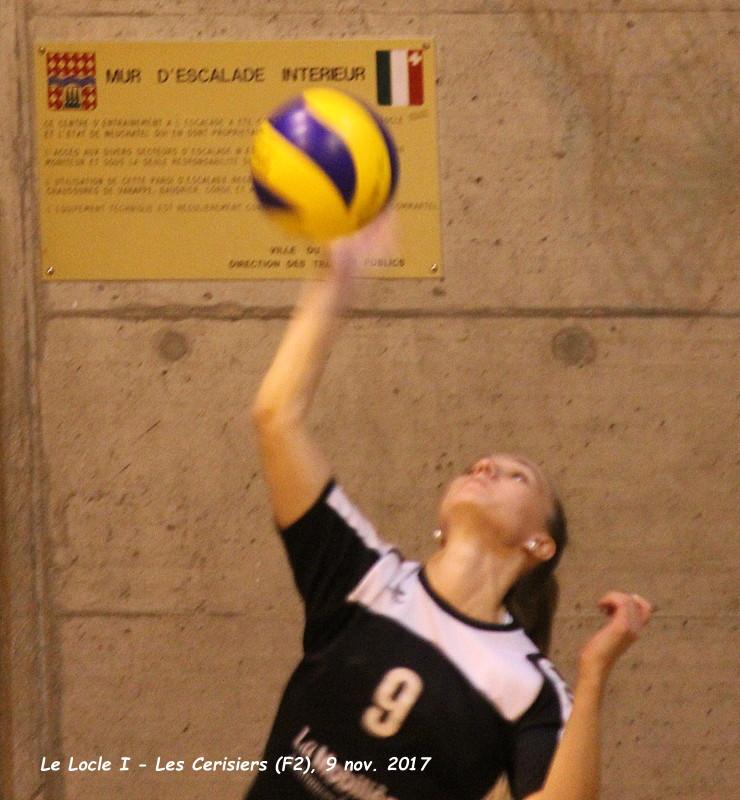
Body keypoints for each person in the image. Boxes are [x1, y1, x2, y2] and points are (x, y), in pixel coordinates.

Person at [246, 218, 653, 800]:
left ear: (539, 544)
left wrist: (593, 674)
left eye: (516, 475)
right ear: (440, 522)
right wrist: (336, 278)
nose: (485, 468)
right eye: (477, 464)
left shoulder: (527, 687)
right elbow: (275, 417)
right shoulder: (364, 580)